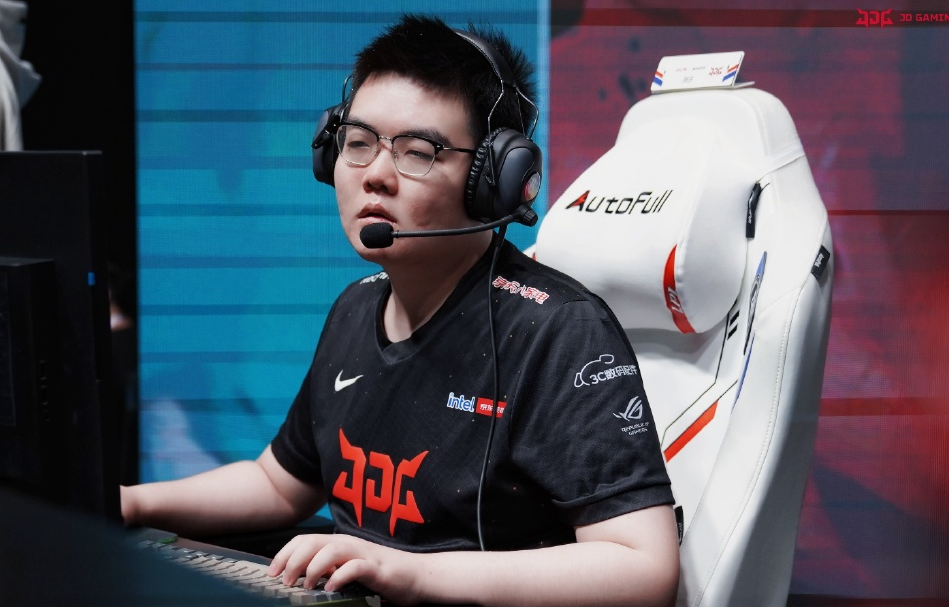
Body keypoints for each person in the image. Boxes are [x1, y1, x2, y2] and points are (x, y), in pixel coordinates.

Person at [122, 14, 680, 607]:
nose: (376, 177)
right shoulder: (356, 307)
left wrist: (409, 572)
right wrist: (131, 501)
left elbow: (643, 568)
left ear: (492, 179)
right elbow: (277, 484)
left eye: (418, 152)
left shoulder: (557, 329)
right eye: (359, 144)